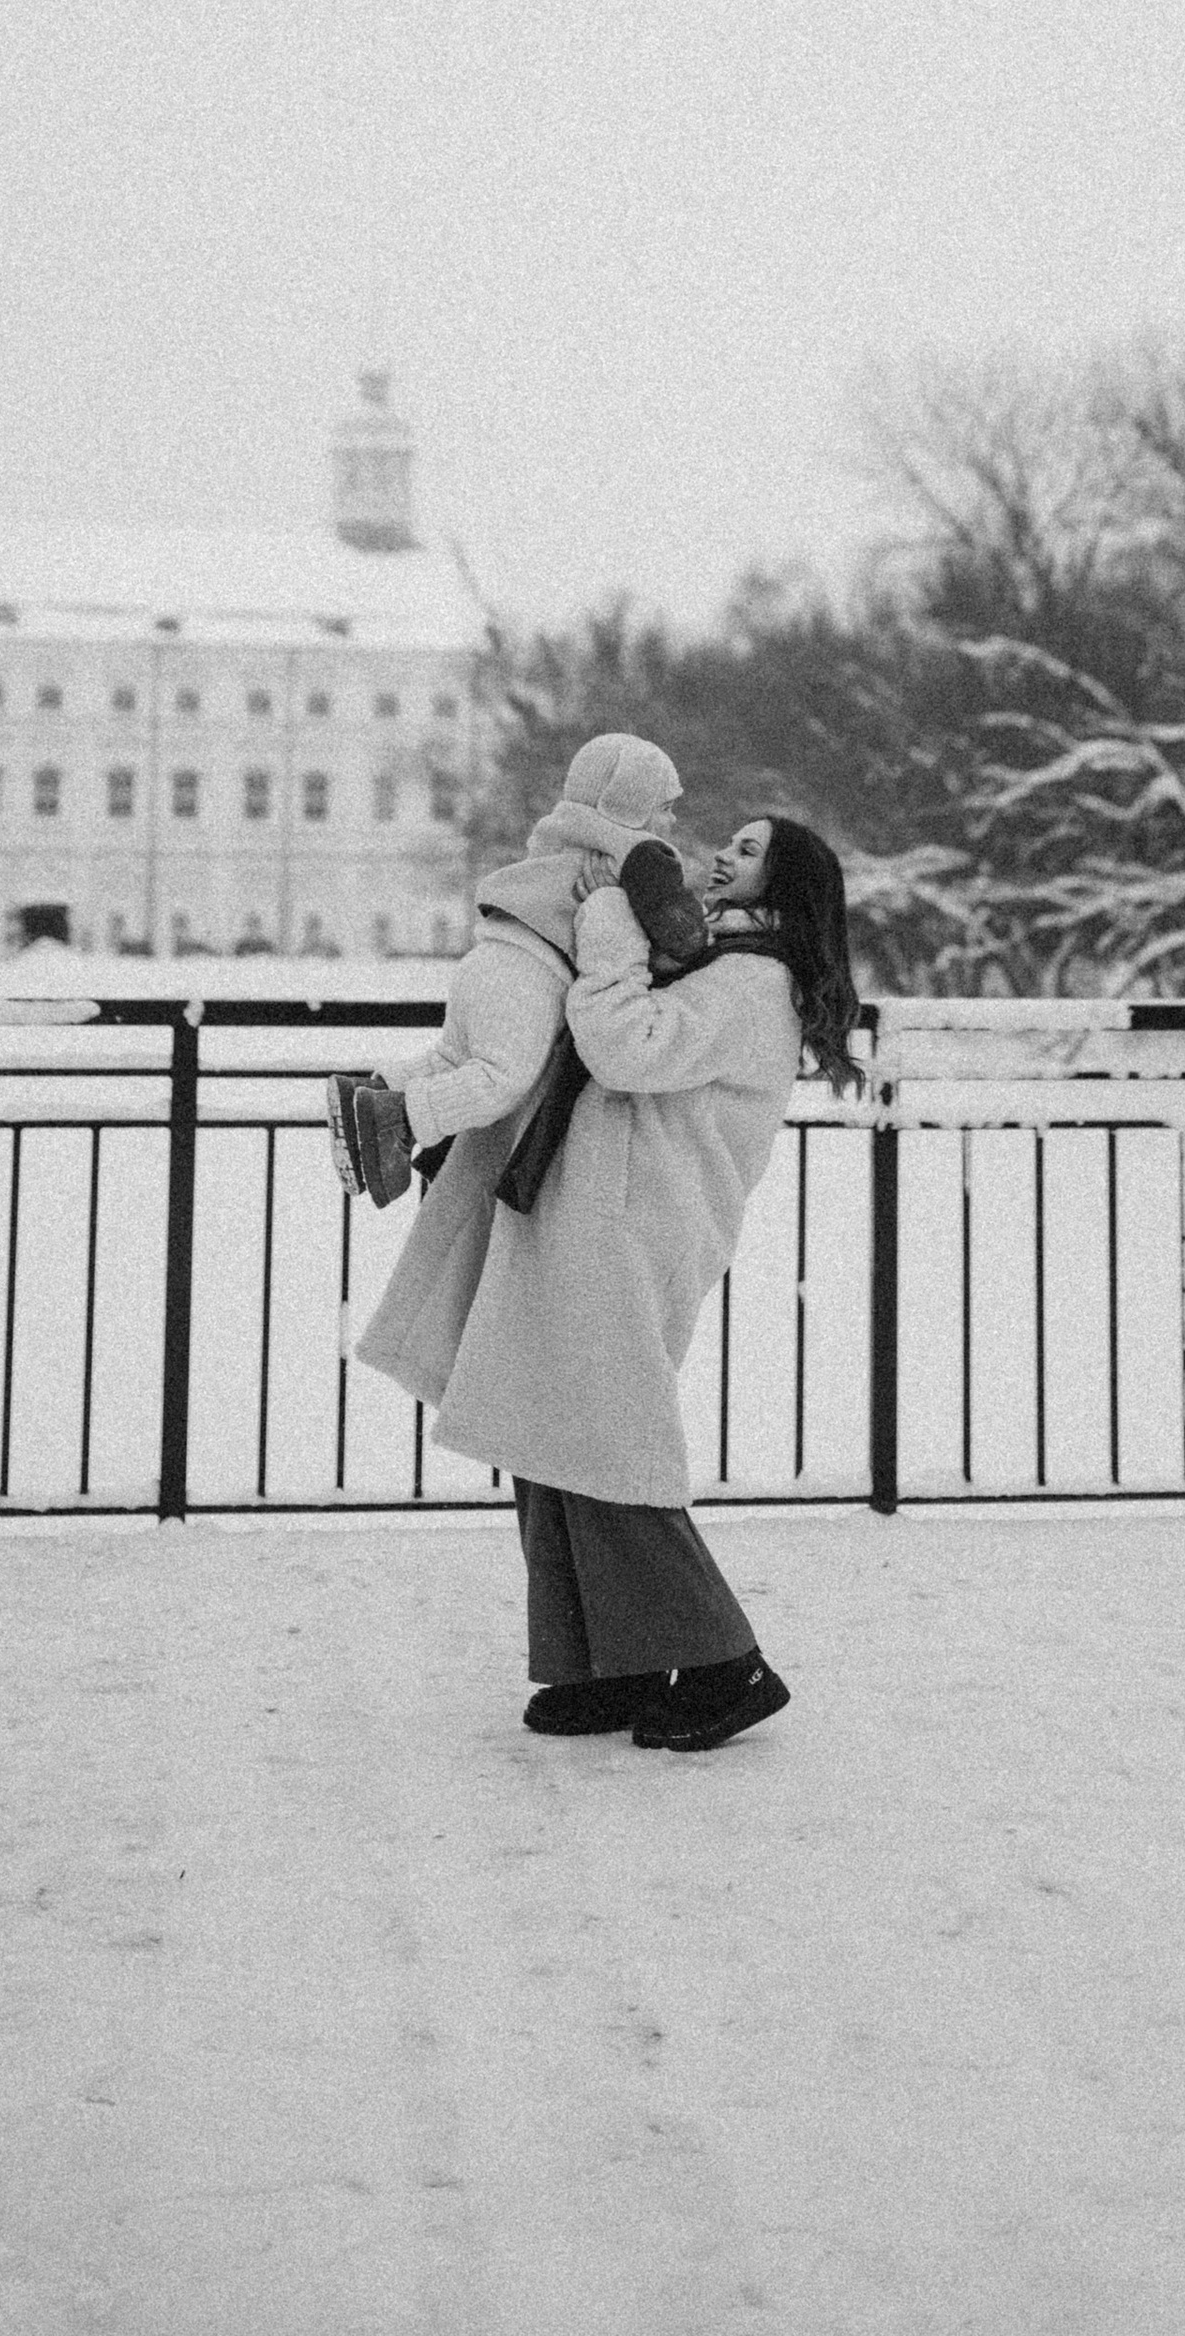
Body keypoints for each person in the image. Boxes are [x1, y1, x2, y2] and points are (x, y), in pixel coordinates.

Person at [353, 812, 861, 1754]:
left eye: (750, 851)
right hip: (597, 1206)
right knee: (547, 1420)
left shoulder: (755, 983)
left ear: (788, 887)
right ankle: (606, 1667)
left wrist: (606, 933)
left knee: (602, 1430)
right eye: (731, 841)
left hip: (636, 1221)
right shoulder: (716, 963)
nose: (724, 855)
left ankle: (722, 1664)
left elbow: (626, 1045)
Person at [325, 732, 706, 1206]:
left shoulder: (558, 837)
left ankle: (369, 1092)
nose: (671, 821)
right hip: (532, 969)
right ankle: (395, 1119)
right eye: (666, 806)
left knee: (453, 1057)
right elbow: (685, 937)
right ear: (632, 800)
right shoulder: (642, 858)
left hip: (490, 955)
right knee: (499, 1078)